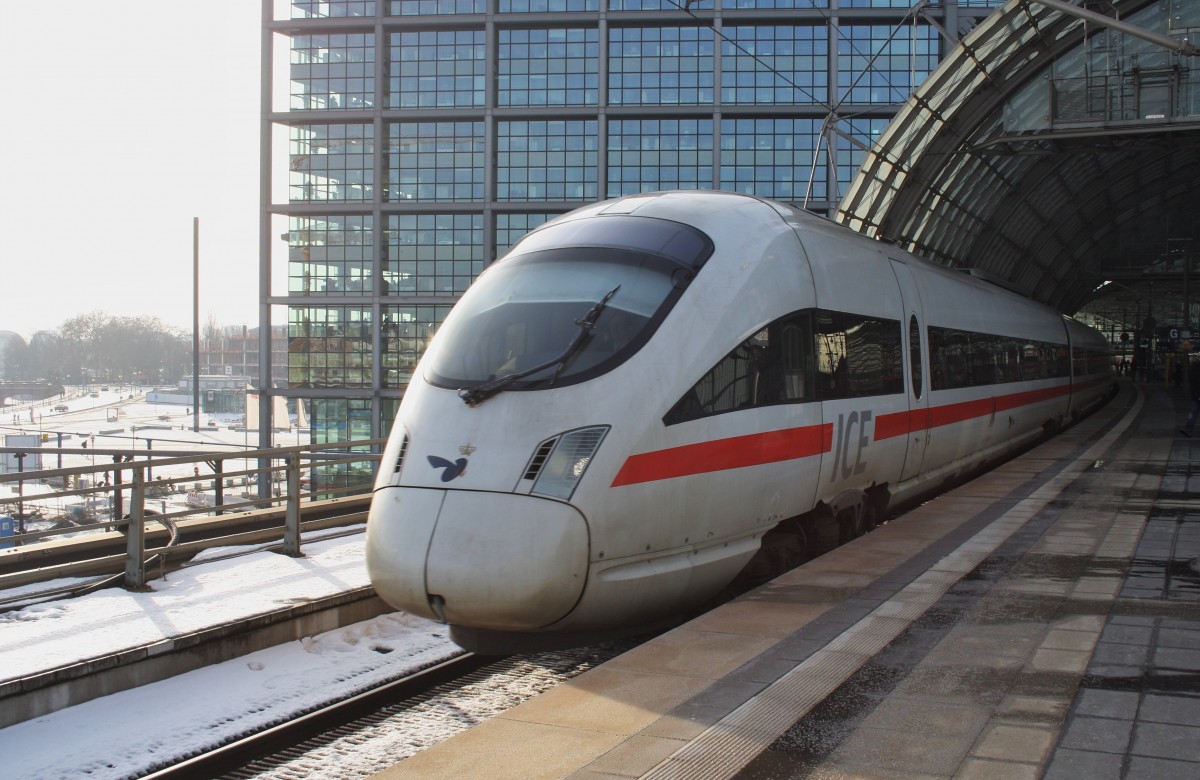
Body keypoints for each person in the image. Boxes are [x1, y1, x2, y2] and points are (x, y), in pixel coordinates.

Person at [1180, 357, 1200, 437]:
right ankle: (1189, 429)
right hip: (1197, 393)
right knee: (1193, 412)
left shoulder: (1194, 369)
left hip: (1196, 394)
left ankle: (1188, 429)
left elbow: (1192, 380)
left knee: (1193, 413)